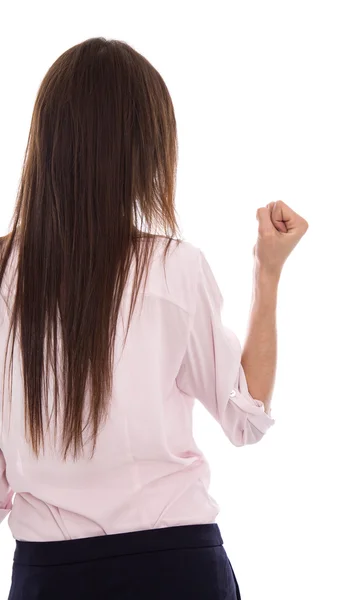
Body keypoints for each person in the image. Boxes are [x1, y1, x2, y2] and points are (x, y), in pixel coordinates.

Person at [0, 37, 309, 600]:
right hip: (176, 567)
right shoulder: (173, 269)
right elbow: (247, 419)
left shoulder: (1, 274)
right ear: (144, 150)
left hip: (49, 575)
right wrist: (268, 274)